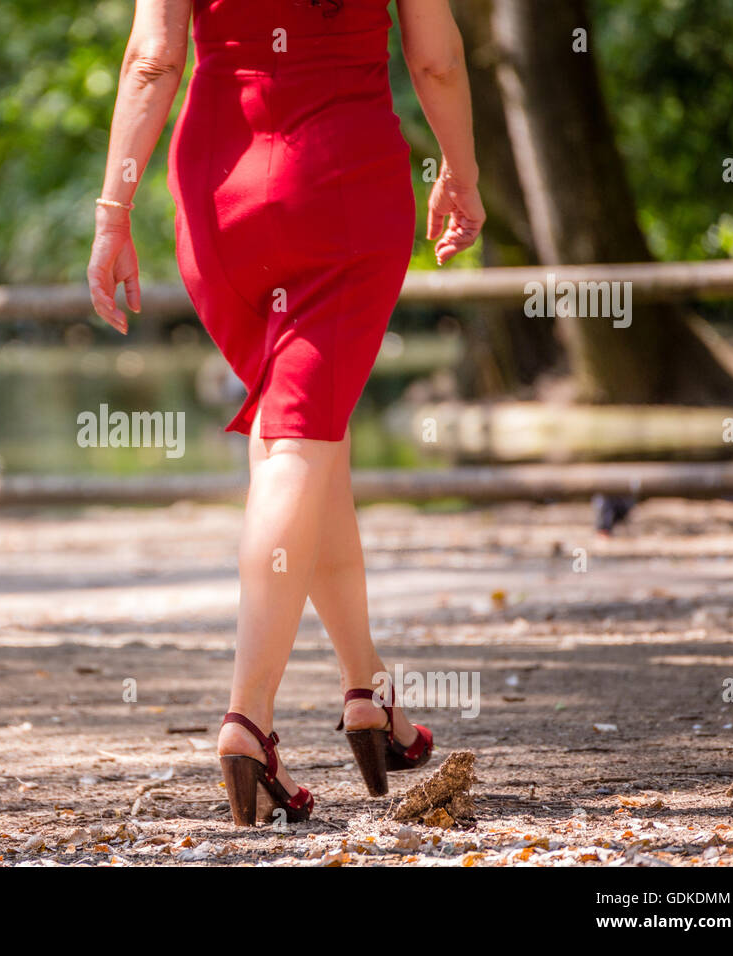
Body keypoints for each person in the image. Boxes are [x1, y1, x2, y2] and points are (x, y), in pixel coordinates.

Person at [87, 0, 485, 825]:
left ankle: (369, 694)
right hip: (341, 183)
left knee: (308, 440)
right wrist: (460, 172)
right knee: (297, 442)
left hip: (220, 191)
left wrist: (112, 213)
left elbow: (152, 59)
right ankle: (247, 718)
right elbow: (437, 61)